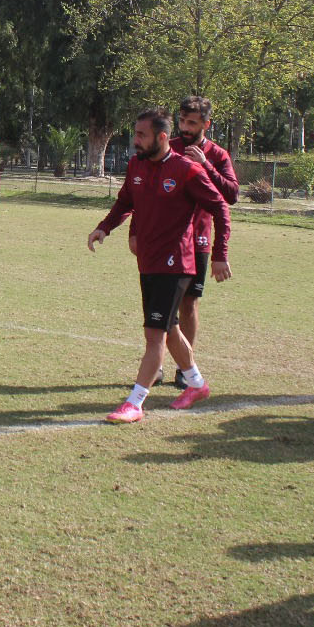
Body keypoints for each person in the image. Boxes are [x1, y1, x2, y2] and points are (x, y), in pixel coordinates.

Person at [91, 107, 230, 423]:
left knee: (154, 334)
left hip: (176, 264)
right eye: (135, 134)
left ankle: (134, 403)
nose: (135, 141)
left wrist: (220, 253)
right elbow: (125, 201)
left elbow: (221, 207)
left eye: (142, 135)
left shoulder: (187, 170)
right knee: (168, 329)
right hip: (148, 261)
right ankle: (196, 384)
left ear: (162, 137)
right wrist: (104, 227)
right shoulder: (136, 166)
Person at [140, 96, 237, 389]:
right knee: (158, 307)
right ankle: (154, 366)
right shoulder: (168, 148)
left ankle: (185, 370)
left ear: (206, 124)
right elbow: (143, 191)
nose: (185, 127)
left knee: (188, 304)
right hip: (167, 240)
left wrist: (205, 165)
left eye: (192, 123)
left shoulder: (217, 155)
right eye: (182, 121)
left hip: (199, 240)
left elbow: (230, 196)